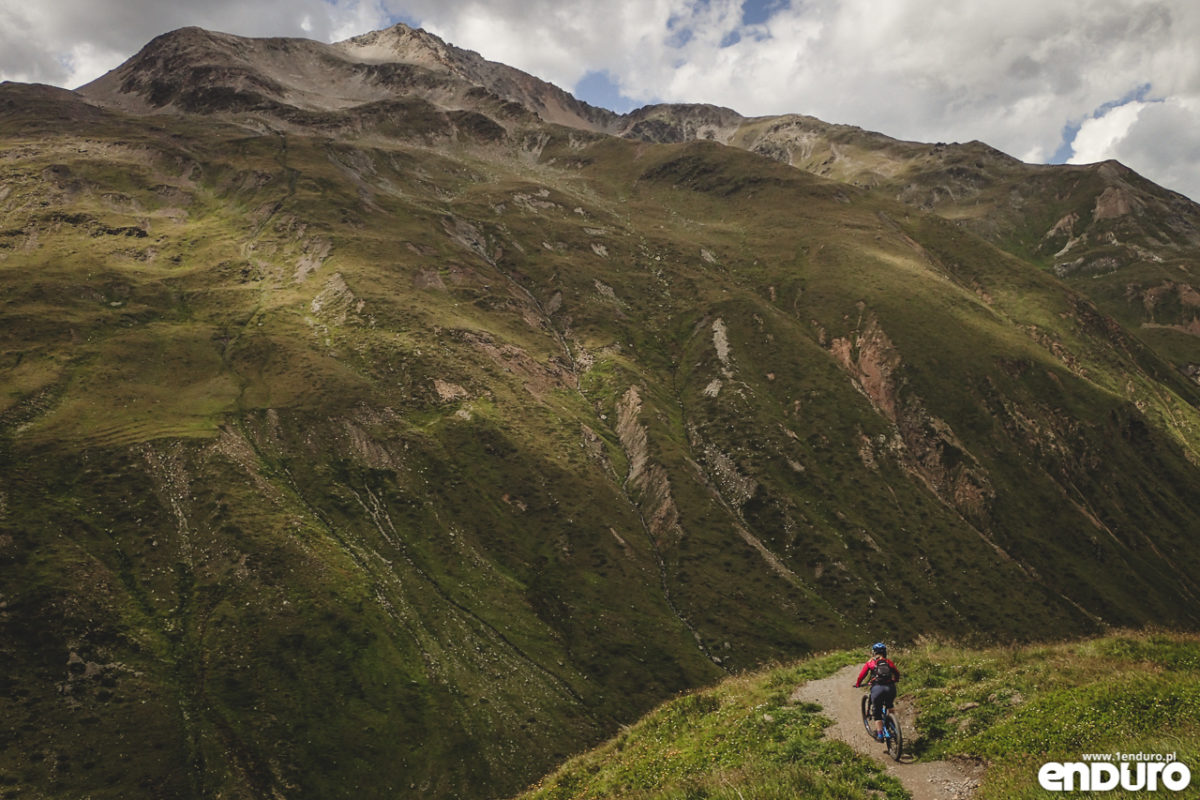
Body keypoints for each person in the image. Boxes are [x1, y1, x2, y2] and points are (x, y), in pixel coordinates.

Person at [854, 642, 900, 743]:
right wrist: (895, 680)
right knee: (889, 705)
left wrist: (858, 684)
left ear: (874, 652)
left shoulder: (870, 663)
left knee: (877, 712)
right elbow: (897, 673)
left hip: (877, 689)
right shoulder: (888, 662)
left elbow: (862, 675)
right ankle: (893, 724)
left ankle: (879, 734)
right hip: (890, 688)